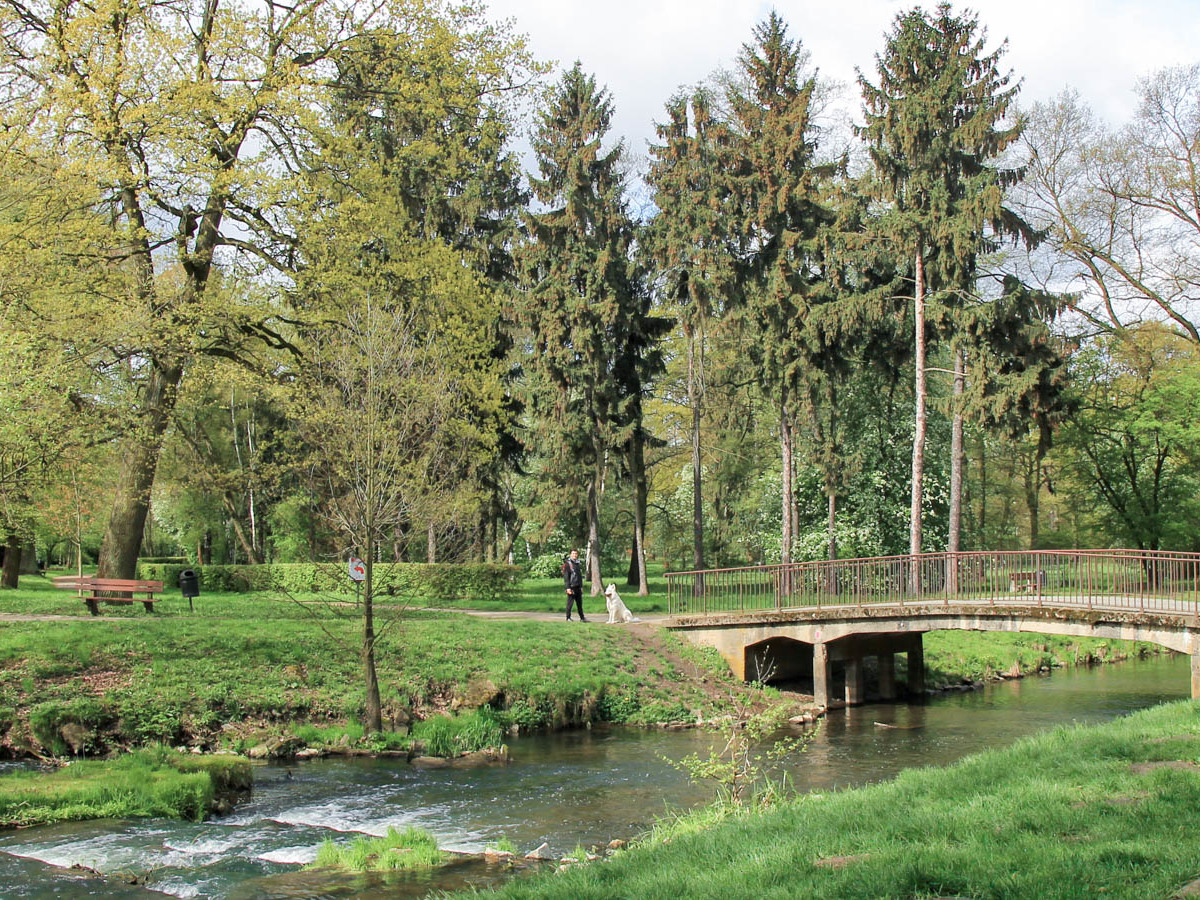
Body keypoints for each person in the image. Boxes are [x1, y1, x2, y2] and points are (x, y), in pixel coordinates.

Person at [562, 548, 587, 622]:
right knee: (570, 603)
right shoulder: (568, 564)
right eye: (573, 553)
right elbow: (566, 577)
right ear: (570, 554)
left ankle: (582, 618)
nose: (575, 555)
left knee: (579, 604)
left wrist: (581, 586)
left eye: (576, 554)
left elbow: (579, 576)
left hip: (578, 587)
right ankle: (568, 617)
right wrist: (568, 587)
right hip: (571, 586)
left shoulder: (577, 564)